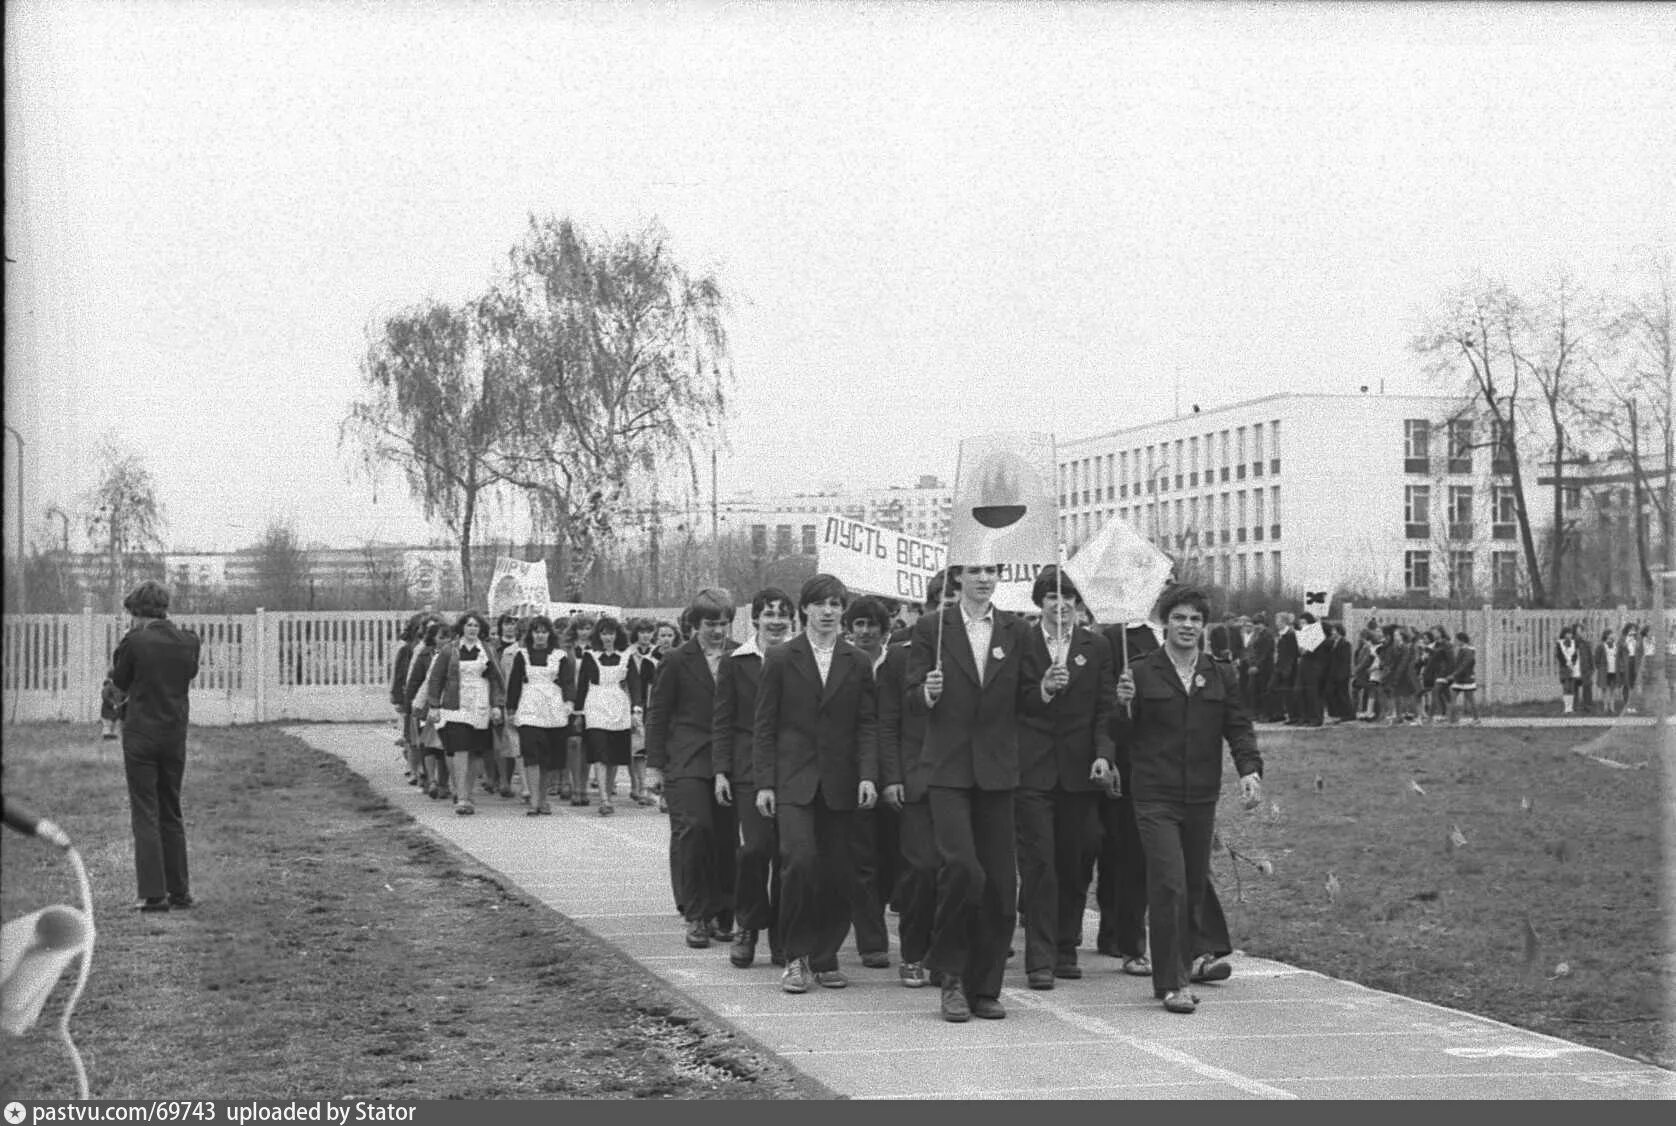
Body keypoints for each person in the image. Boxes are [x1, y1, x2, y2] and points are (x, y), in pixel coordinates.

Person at [1114, 586, 1262, 1014]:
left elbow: (1238, 726)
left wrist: (1250, 769)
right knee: (1169, 884)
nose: (1188, 626)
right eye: (1179, 618)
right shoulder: (1139, 672)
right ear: (1165, 623)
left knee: (1193, 886)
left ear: (1204, 625)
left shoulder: (1218, 673)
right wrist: (1121, 706)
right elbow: (1119, 735)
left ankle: (1187, 962)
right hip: (1154, 795)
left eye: (1195, 619)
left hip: (1200, 795)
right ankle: (1172, 982)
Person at [906, 563, 1038, 1023]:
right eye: (976, 571)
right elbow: (906, 696)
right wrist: (926, 691)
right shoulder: (931, 629)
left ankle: (986, 986)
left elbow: (1027, 697)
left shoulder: (1015, 630)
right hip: (947, 769)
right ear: (958, 577)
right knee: (963, 870)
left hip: (997, 771)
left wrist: (1047, 687)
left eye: (991, 570)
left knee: (1002, 885)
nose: (984, 578)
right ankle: (951, 977)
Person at [754, 574, 880, 993]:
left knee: (838, 871)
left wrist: (867, 775)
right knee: (799, 862)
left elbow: (867, 724)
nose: (828, 611)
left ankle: (826, 956)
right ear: (804, 608)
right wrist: (765, 783)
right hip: (793, 782)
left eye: (836, 604)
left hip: (842, 783)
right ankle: (795, 955)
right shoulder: (780, 657)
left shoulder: (857, 661)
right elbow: (765, 725)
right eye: (820, 603)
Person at [1015, 566, 1115, 989]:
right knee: (1040, 864)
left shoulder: (1097, 646)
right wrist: (1041, 690)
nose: (1063, 605)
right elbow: (1009, 701)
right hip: (1033, 771)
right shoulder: (1021, 642)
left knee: (1076, 860)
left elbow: (1105, 707)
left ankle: (1065, 944)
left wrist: (1104, 755)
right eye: (1054, 597)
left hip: (1079, 771)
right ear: (1040, 602)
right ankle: (1039, 958)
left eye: (1070, 597)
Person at [646, 588, 740, 949]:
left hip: (729, 760)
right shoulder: (676, 660)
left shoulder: (738, 655)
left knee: (726, 838)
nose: (717, 630)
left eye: (723, 623)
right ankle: (697, 914)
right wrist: (655, 765)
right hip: (686, 759)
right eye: (710, 624)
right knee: (695, 830)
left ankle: (724, 911)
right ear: (694, 624)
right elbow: (659, 715)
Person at [879, 570, 957, 990]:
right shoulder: (898, 657)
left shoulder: (976, 652)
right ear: (927, 609)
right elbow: (888, 721)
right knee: (921, 868)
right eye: (941, 606)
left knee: (956, 870)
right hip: (917, 779)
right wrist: (891, 776)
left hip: (962, 777)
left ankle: (944, 954)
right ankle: (913, 952)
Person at [713, 587, 797, 969]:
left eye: (782, 613)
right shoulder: (736, 661)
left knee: (787, 855)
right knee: (755, 849)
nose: (776, 620)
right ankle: (748, 924)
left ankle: (783, 932)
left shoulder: (801, 660)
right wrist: (720, 772)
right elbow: (723, 720)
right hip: (748, 771)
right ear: (756, 619)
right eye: (769, 613)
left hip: (793, 769)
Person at [109, 580, 202, 912]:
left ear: (137, 613)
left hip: (140, 737)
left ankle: (153, 894)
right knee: (171, 811)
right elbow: (187, 674)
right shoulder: (189, 641)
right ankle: (180, 892)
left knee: (145, 812)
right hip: (174, 734)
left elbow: (118, 686)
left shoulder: (134, 642)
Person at [841, 594, 898, 969]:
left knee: (892, 857)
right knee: (862, 857)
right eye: (858, 624)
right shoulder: (844, 662)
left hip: (895, 771)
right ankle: (871, 938)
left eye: (871, 625)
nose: (864, 632)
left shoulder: (899, 661)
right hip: (856, 770)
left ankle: (878, 909)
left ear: (883, 629)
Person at [422, 611, 507, 816]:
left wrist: (497, 705)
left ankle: (468, 793)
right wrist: (433, 705)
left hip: (480, 705)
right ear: (462, 628)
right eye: (469, 625)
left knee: (476, 753)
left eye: (476, 626)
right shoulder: (449, 650)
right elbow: (436, 679)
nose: (472, 629)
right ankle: (460, 796)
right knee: (460, 748)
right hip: (455, 706)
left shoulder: (487, 650)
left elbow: (497, 679)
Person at [504, 615, 575, 816]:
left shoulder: (560, 655)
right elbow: (515, 683)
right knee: (531, 754)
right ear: (531, 634)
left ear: (549, 634)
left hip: (553, 708)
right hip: (529, 708)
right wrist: (510, 709)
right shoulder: (522, 654)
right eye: (537, 631)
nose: (540, 636)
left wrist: (569, 702)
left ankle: (543, 798)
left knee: (547, 758)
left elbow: (568, 682)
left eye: (544, 632)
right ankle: (534, 800)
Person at [574, 615, 644, 817]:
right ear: (599, 635)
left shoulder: (626, 656)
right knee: (599, 752)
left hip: (618, 706)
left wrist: (636, 709)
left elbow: (634, 683)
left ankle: (609, 795)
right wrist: (579, 713)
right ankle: (604, 798)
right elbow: (582, 686)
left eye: (611, 633)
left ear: (617, 635)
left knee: (614, 755)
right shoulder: (590, 656)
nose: (607, 637)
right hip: (595, 704)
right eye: (604, 633)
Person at [405, 617, 447, 798]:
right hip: (427, 704)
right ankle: (431, 780)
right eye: (441, 637)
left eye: (448, 637)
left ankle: (444, 782)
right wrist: (412, 704)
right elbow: (417, 681)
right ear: (433, 638)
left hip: (449, 703)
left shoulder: (455, 654)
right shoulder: (424, 655)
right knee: (428, 744)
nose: (445, 640)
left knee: (445, 746)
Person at [390, 612, 426, 784]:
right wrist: (397, 698)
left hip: (425, 696)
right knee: (410, 736)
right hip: (408, 696)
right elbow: (398, 674)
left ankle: (422, 768)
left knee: (423, 735)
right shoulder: (406, 650)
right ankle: (413, 768)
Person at [1422, 626, 1456, 726]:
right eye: (1432, 632)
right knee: (1447, 696)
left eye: (1435, 632)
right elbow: (1434, 659)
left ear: (1441, 633)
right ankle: (1452, 717)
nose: (1433, 634)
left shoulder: (1446, 644)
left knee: (1435, 694)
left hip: (1444, 673)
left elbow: (1451, 660)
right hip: (1437, 673)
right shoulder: (1437, 644)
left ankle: (1430, 718)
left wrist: (1450, 675)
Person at [1449, 631, 1481, 725]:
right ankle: (1453, 719)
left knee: (1470, 699)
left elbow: (1464, 665)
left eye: (1456, 640)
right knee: (1453, 698)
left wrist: (1454, 674)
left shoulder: (1467, 651)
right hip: (1460, 679)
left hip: (1466, 679)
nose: (1455, 641)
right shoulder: (1463, 650)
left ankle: (1476, 719)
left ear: (1461, 640)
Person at [1555, 626, 1583, 715]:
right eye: (1567, 633)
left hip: (1572, 667)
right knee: (1566, 687)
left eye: (1570, 633)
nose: (1569, 635)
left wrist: (1572, 663)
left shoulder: (1574, 643)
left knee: (1571, 688)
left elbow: (1575, 655)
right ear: (1564, 634)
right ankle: (1566, 708)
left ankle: (1570, 708)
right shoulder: (1559, 643)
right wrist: (1567, 664)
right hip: (1564, 667)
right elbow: (1559, 656)